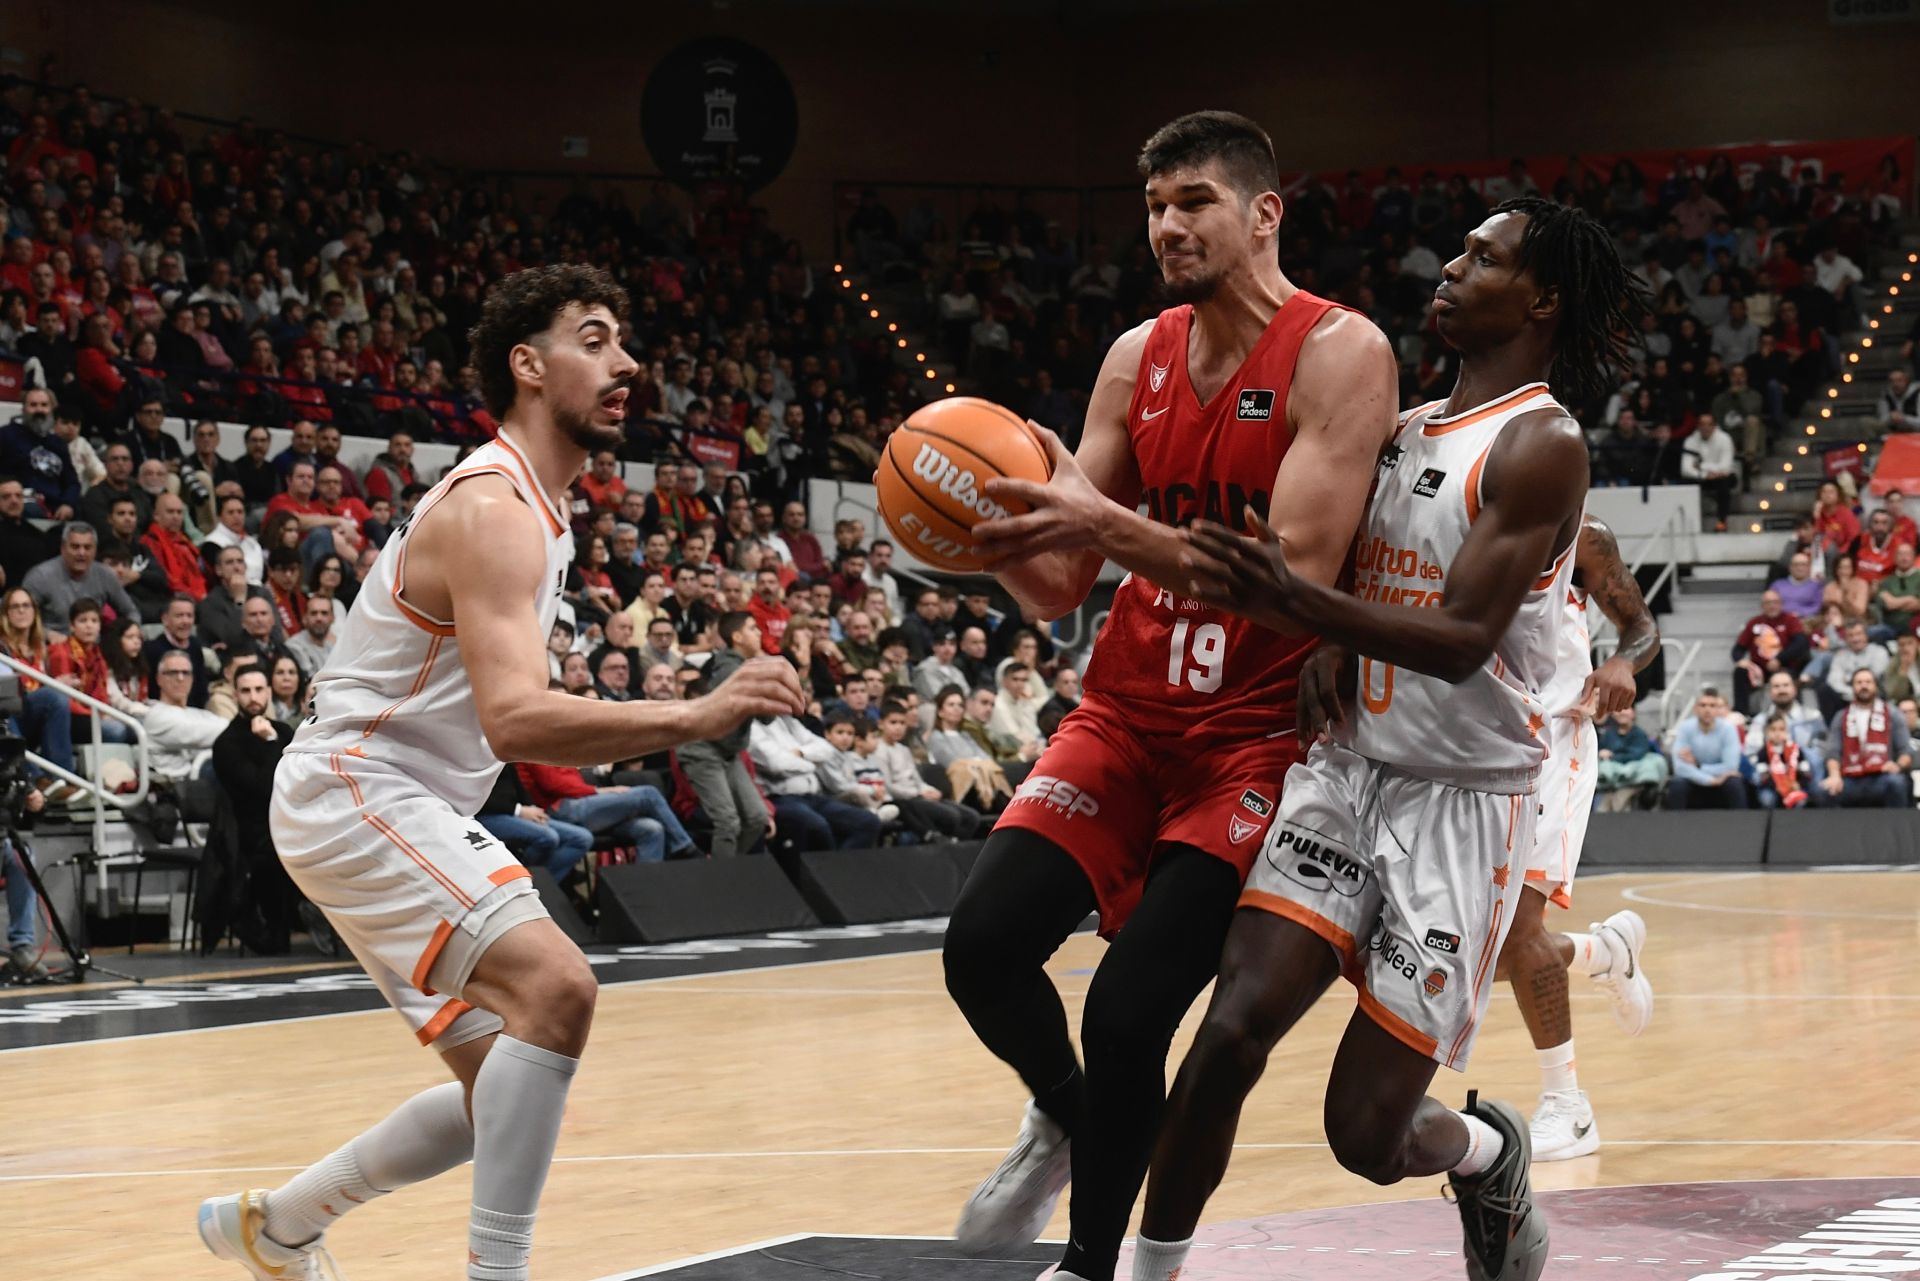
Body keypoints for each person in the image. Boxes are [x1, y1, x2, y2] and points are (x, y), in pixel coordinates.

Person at [198, 265, 804, 1281]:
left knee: (502, 1093)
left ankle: (282, 1225)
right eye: (598, 340)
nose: (629, 364)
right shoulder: (495, 507)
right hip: (360, 790)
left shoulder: (542, 511)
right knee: (560, 990)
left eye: (625, 343)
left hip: (381, 801)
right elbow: (515, 715)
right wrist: (695, 713)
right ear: (528, 366)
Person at [1139, 194, 1646, 1281]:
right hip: (1350, 779)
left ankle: (1485, 1148)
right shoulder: (1410, 429)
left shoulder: (1544, 443)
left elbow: (1462, 637)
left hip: (1462, 810)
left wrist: (1302, 607)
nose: (1448, 270)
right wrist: (1328, 646)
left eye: (1481, 258)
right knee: (1227, 1036)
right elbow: (1375, 588)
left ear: (1541, 299)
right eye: (1457, 252)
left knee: (1365, 1137)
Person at [944, 113, 1399, 1281]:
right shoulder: (1131, 358)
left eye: (1192, 201)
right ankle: (1062, 1114)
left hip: (1252, 743)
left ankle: (1091, 1267)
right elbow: (1056, 585)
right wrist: (968, 526)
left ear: (1264, 213)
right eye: (1153, 207)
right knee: (982, 948)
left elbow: (1293, 576)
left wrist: (1100, 520)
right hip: (1125, 715)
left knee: (1131, 1008)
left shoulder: (1340, 352)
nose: (1166, 226)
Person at [1483, 516, 1661, 1162]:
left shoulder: (1586, 537)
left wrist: (1620, 659)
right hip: (1473, 746)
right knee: (1474, 959)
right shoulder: (1451, 512)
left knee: (1520, 927)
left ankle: (1569, 1105)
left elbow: (1642, 628)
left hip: (1552, 740)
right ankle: (1602, 952)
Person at [211, 666, 304, 954]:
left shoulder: (286, 731)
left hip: (291, 819)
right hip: (247, 830)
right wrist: (271, 744)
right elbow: (264, 787)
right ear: (235, 694)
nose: (253, 697)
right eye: (246, 691)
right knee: (273, 850)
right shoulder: (227, 743)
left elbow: (301, 778)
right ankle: (271, 929)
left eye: (259, 690)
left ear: (269, 692)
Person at [1821, 668, 1914, 807]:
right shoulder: (1841, 717)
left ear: (1876, 686)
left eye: (1868, 682)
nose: (1864, 686)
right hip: (1850, 778)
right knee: (1826, 789)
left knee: (1896, 783)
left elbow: (1906, 750)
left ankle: (1896, 829)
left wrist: (1897, 766)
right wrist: (1834, 775)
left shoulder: (1892, 714)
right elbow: (1832, 752)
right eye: (1859, 682)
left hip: (1882, 777)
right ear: (1852, 687)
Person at [1666, 688, 1751, 809]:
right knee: (1677, 784)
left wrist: (1698, 766)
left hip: (1721, 784)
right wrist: (1710, 780)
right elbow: (1679, 767)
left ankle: (1742, 824)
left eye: (1712, 705)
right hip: (1698, 781)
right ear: (1695, 708)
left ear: (1717, 709)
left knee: (1734, 783)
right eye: (1703, 705)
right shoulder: (1685, 728)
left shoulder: (1729, 729)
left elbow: (1731, 767)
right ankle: (1674, 825)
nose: (1707, 709)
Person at [1732, 590, 1811, 714]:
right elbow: (1738, 649)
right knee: (1741, 672)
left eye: (1775, 602)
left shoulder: (1790, 620)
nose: (1772, 606)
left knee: (1786, 677)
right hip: (1759, 670)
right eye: (1768, 603)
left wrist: (1779, 659)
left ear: (1781, 604)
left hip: (1785, 666)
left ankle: (1793, 713)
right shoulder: (1754, 623)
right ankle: (1741, 714)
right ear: (1762, 606)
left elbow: (1801, 643)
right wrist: (1741, 660)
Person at [1594, 706, 1667, 810]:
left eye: (1626, 709)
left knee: (1620, 802)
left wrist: (1613, 757)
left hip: (1632, 779)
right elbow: (1601, 751)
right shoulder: (1608, 734)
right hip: (1609, 782)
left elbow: (1637, 755)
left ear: (1633, 713)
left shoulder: (1640, 734)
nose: (1622, 713)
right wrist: (1601, 753)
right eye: (1619, 709)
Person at [285, 594, 337, 679]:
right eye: (314, 613)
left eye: (324, 613)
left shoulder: (331, 648)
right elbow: (312, 680)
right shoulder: (294, 646)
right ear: (305, 618)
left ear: (333, 618)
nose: (319, 618)